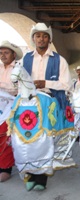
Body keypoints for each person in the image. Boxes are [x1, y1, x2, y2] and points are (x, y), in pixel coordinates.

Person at [20, 22, 75, 191]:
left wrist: (45, 83)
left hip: (51, 101)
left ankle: (40, 177)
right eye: (38, 36)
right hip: (29, 102)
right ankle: (31, 173)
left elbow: (66, 85)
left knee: (45, 140)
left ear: (49, 39)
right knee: (28, 139)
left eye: (44, 36)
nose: (41, 39)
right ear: (33, 39)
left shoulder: (60, 60)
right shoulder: (26, 58)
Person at [0, 40, 23, 182]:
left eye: (6, 53)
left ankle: (5, 168)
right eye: (1, 53)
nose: (3, 55)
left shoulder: (19, 69)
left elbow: (21, 88)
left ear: (13, 54)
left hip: (12, 106)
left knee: (5, 135)